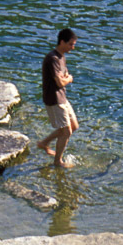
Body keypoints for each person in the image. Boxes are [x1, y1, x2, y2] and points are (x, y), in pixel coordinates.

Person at [37, 28, 78, 167]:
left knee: (74, 126)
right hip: (54, 99)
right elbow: (60, 81)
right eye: (71, 44)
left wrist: (66, 78)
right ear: (62, 42)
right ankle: (58, 162)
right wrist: (69, 79)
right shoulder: (52, 59)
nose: (73, 47)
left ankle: (44, 143)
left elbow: (63, 76)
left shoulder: (61, 57)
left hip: (62, 97)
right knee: (66, 131)